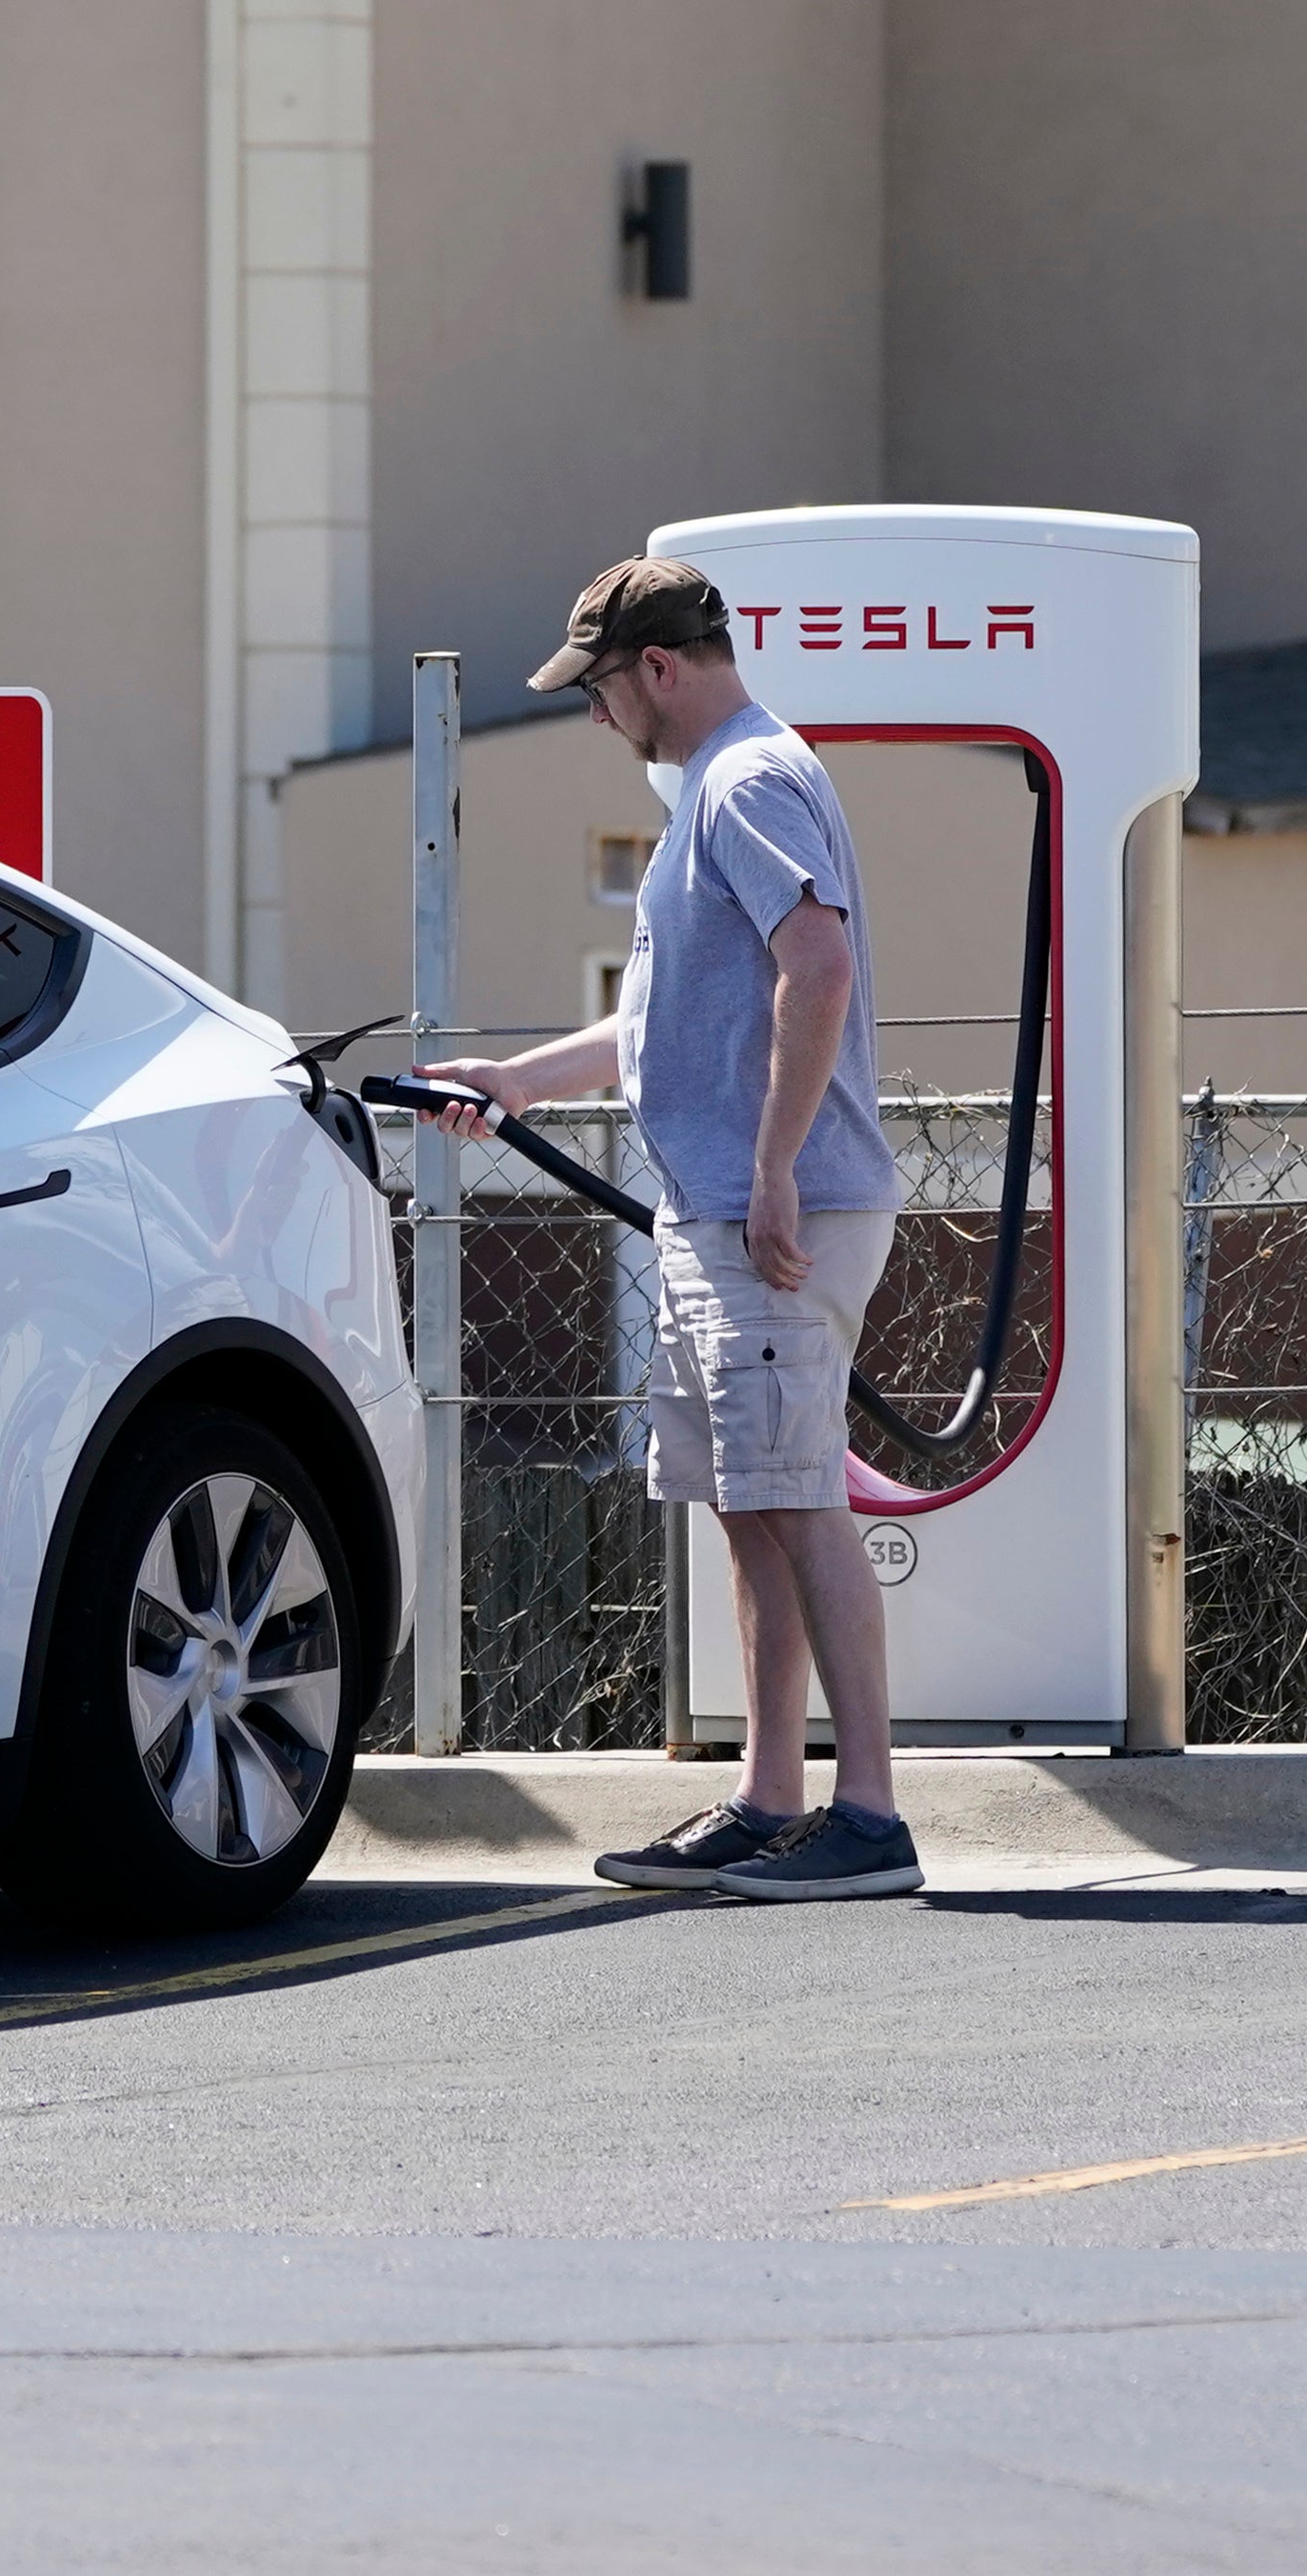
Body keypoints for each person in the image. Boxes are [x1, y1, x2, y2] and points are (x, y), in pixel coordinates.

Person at [414, 556, 920, 1901]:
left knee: (799, 1500)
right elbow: (667, 1019)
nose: (592, 718)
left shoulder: (746, 782)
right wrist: (516, 1082)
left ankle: (868, 1816)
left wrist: (766, 1170)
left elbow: (819, 968)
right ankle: (769, 1800)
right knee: (755, 1505)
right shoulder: (721, 786)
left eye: (595, 689)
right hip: (730, 1210)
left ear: (654, 668)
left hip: (774, 1213)